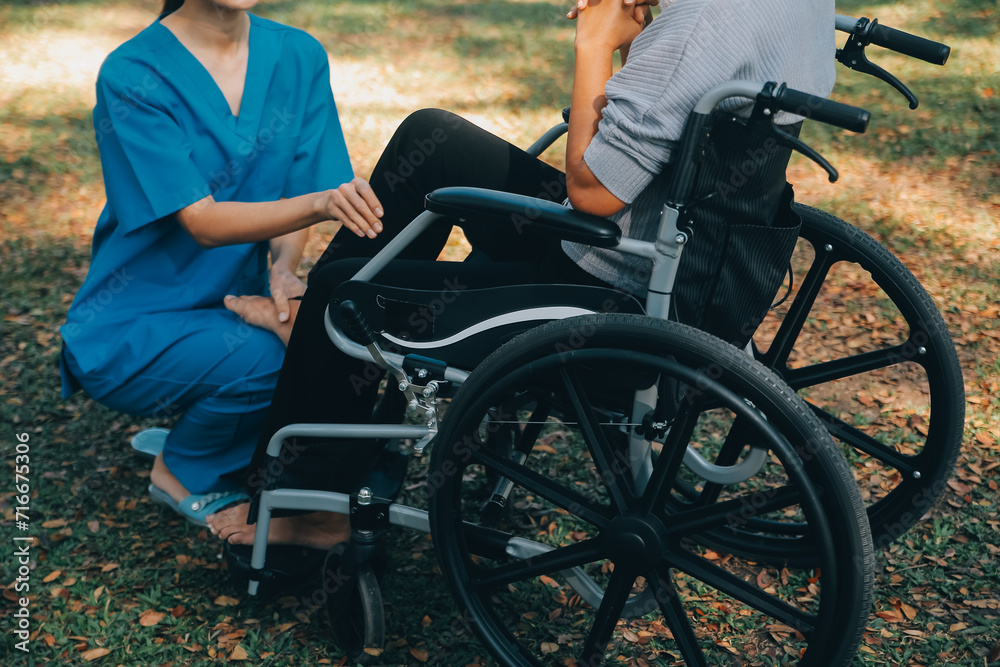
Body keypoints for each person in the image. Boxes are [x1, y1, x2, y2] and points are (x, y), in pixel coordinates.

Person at [205, 0, 837, 547]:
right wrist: (640, 39)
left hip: (613, 280)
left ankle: (310, 508)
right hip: (689, 256)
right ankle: (344, 384)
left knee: (344, 287)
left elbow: (592, 190)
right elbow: (661, 122)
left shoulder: (700, 25)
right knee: (433, 137)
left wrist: (593, 42)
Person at [59, 0, 389, 524]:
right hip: (135, 319)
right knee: (277, 358)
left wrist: (283, 269)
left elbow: (301, 185)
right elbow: (203, 222)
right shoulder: (134, 73)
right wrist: (322, 204)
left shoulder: (298, 55)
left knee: (313, 338)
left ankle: (210, 411)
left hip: (235, 304)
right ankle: (183, 469)